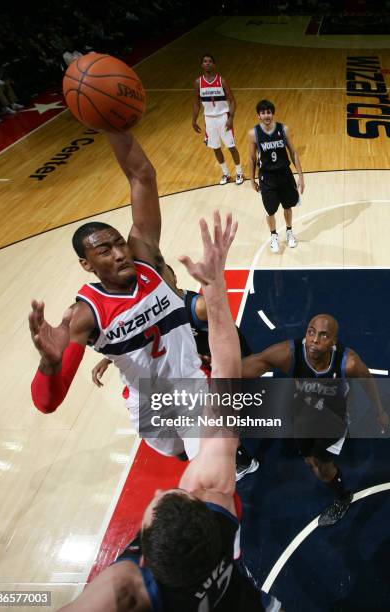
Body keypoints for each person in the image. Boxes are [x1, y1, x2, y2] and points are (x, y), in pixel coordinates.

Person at [58, 212, 282, 612]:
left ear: (145, 558)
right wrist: (216, 287)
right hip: (183, 395)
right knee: (213, 434)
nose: (163, 488)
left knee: (236, 391)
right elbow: (223, 363)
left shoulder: (136, 589)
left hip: (191, 386)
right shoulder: (218, 503)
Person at [29, 130, 206, 460]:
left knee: (209, 469)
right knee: (180, 453)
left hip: (190, 388)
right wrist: (49, 364)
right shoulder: (84, 315)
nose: (120, 253)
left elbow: (143, 176)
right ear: (86, 264)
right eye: (104, 251)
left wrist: (111, 124)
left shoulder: (148, 261)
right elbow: (47, 403)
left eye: (119, 243)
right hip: (147, 401)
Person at [91, 263, 259, 481]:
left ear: (174, 278)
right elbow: (143, 340)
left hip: (208, 368)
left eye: (162, 281)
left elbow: (230, 334)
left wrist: (233, 363)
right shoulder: (151, 310)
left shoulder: (197, 307)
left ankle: (243, 460)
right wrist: (108, 358)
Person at [242, 314, 389, 526]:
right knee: (309, 459)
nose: (314, 339)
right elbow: (255, 363)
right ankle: (316, 461)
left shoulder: (348, 364)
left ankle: (342, 497)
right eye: (311, 332)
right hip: (302, 414)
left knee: (321, 466)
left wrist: (379, 411)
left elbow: (367, 381)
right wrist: (215, 375)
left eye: (323, 335)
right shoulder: (289, 354)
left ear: (333, 342)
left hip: (333, 421)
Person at [248, 99, 305, 254]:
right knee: (270, 210)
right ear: (258, 115)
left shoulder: (283, 129)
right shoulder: (253, 134)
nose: (267, 115)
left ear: (272, 113)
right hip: (267, 176)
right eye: (263, 113)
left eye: (269, 112)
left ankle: (289, 231)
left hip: (284, 174)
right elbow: (252, 158)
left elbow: (293, 153)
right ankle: (273, 236)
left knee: (288, 206)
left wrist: (300, 176)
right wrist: (252, 180)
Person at [192, 54, 244, 186]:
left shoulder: (221, 81)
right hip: (209, 119)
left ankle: (239, 172)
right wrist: (193, 120)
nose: (207, 63)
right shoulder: (198, 82)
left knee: (231, 146)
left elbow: (232, 100)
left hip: (223, 117)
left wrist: (231, 117)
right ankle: (226, 174)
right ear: (202, 65)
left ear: (214, 65)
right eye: (205, 61)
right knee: (215, 148)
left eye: (210, 61)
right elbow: (196, 103)